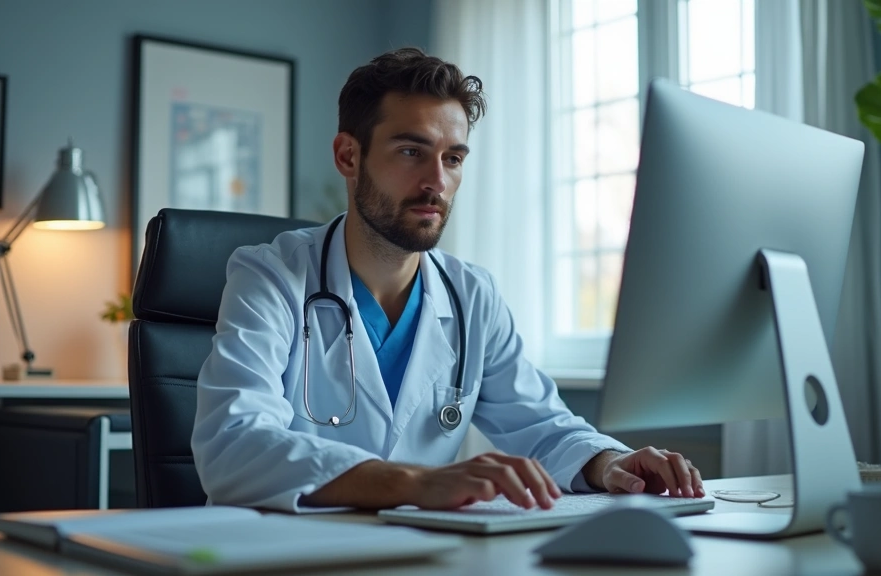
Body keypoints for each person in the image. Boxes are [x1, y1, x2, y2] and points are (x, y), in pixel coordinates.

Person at [191, 47, 704, 513]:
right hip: (275, 556)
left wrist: (608, 464)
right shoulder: (271, 276)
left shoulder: (472, 296)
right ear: (349, 156)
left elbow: (541, 424)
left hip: (417, 555)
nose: (437, 181)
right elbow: (234, 444)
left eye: (453, 158)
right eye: (412, 152)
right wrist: (413, 482)